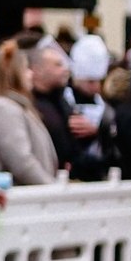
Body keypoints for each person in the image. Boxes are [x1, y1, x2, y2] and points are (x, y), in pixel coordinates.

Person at [0, 41, 60, 185]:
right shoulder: (0, 109)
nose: (31, 74)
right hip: (19, 201)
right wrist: (52, 189)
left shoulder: (17, 106)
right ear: (12, 74)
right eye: (26, 69)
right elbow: (21, 161)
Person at [27, 41, 102, 180]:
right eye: (57, 65)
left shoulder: (62, 101)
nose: (65, 69)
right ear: (38, 70)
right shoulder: (31, 105)